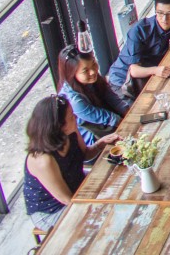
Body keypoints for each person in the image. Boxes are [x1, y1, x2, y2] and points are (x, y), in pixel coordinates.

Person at [24, 95, 120, 231]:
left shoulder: (70, 132)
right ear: (59, 126)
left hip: (77, 186)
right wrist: (98, 203)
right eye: (71, 116)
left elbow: (85, 154)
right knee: (104, 219)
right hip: (53, 210)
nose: (75, 117)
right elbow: (67, 200)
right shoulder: (43, 160)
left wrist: (101, 143)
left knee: (116, 181)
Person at [57, 46, 129, 147]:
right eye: (85, 71)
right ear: (72, 74)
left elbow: (113, 98)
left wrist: (128, 111)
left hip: (111, 122)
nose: (93, 72)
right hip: (96, 139)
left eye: (94, 64)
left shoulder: (91, 78)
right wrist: (130, 123)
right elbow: (107, 118)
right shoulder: (74, 100)